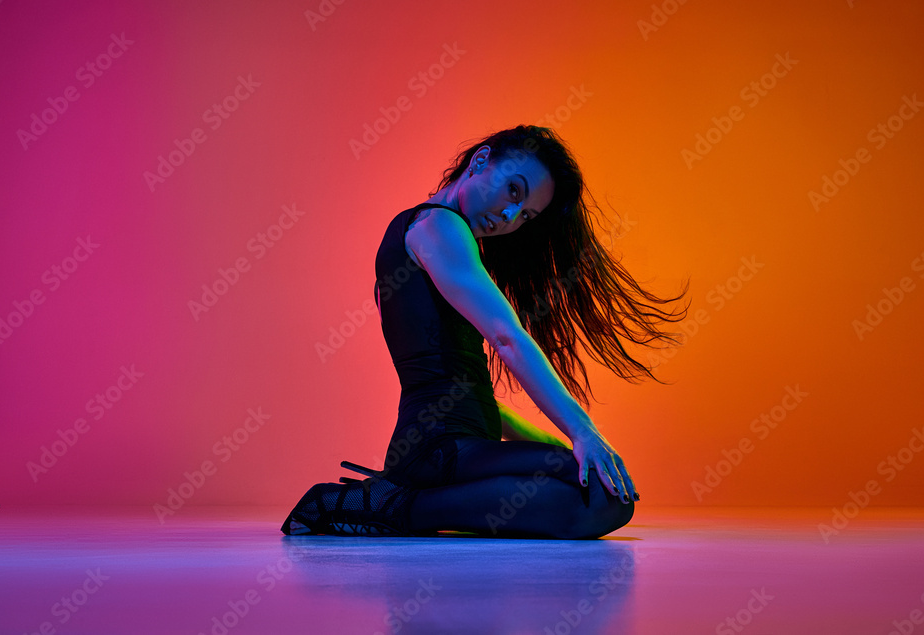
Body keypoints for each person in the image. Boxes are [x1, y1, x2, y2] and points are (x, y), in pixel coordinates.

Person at [281, 125, 689, 539]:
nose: (512, 217)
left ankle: (400, 499)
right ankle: (386, 506)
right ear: (480, 161)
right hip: (440, 448)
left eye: (527, 215)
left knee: (590, 479)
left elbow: (462, 385)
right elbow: (506, 337)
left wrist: (558, 450)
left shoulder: (435, 240)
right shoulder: (437, 226)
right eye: (514, 191)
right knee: (603, 495)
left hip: (446, 450)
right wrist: (584, 432)